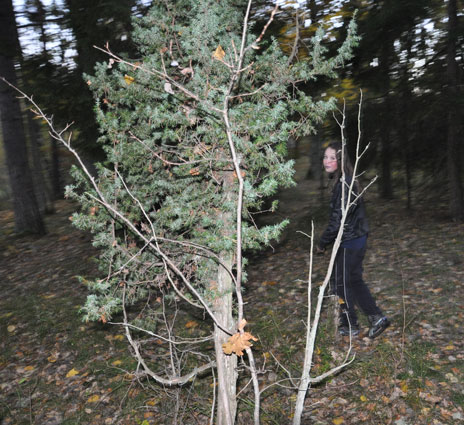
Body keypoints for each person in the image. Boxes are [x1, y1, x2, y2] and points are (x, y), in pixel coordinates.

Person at [317, 141, 390, 338]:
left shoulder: (344, 184)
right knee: (353, 279)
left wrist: (322, 242)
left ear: (341, 160)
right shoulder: (347, 180)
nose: (327, 161)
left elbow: (337, 220)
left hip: (349, 241)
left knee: (340, 283)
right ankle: (377, 317)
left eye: (333, 158)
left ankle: (350, 324)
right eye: (326, 157)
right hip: (358, 238)